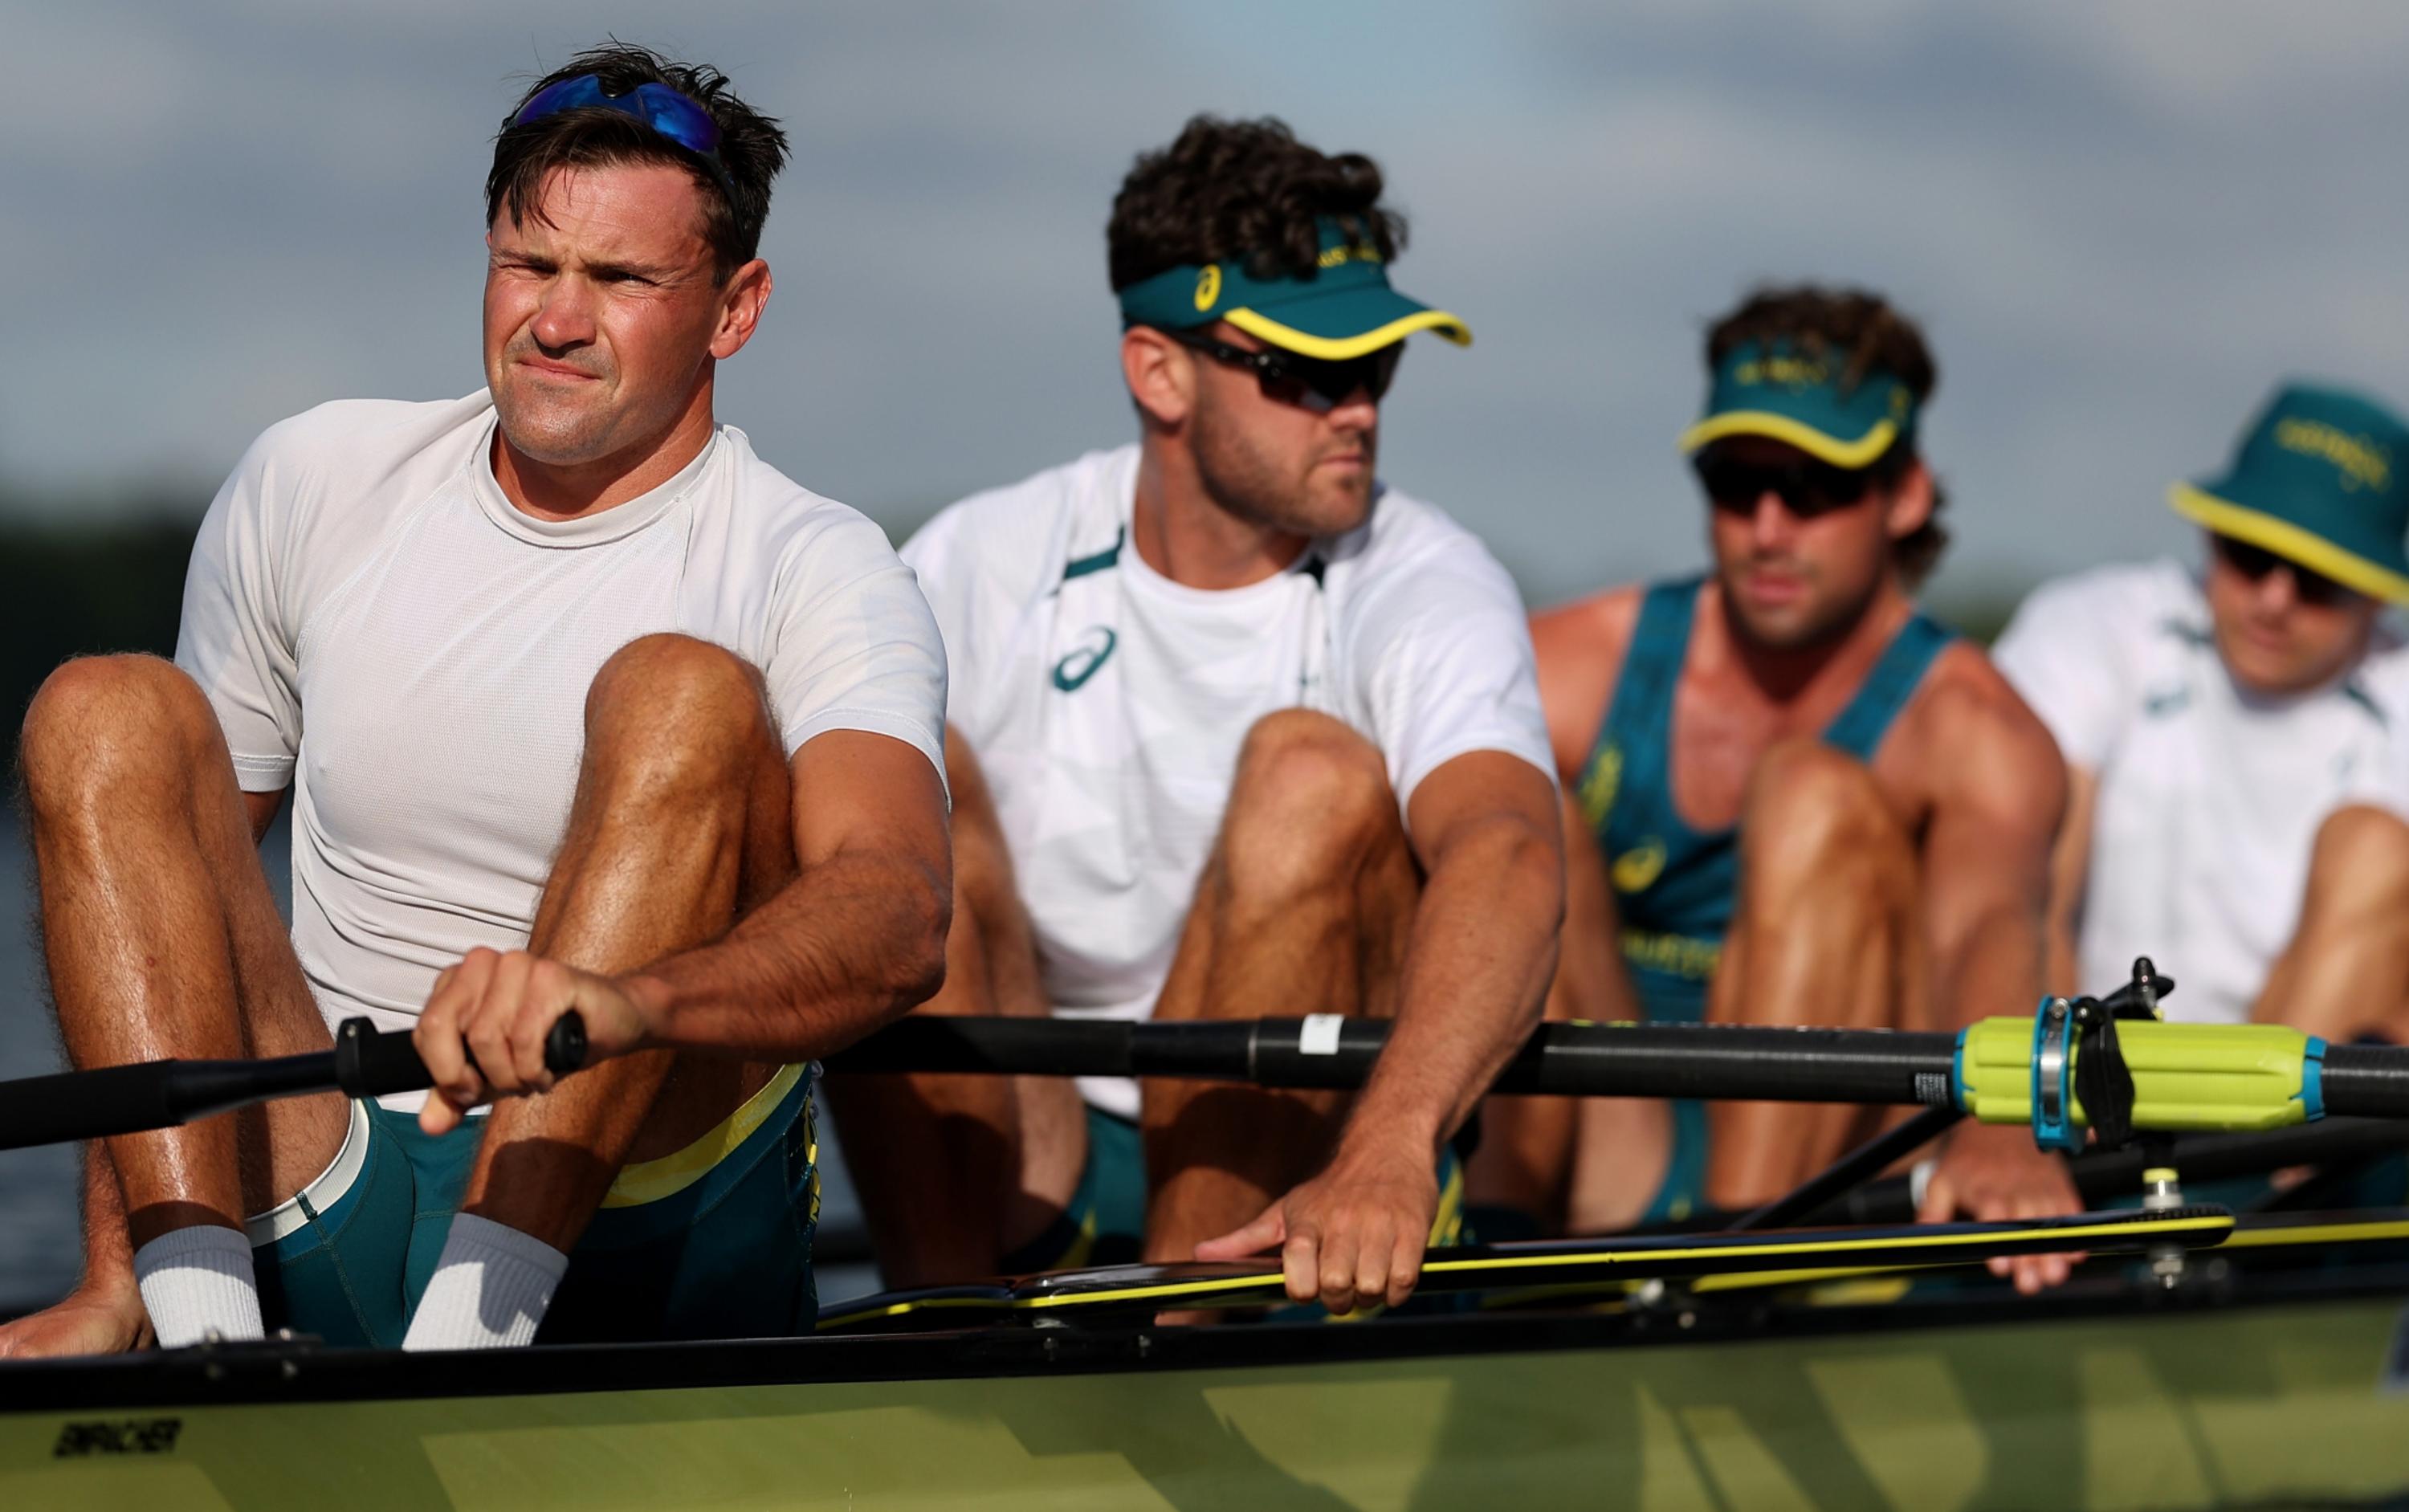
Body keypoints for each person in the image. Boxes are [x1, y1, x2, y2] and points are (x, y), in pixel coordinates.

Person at [0, 45, 950, 1358]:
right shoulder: (318, 478)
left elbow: (900, 912)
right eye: (530, 262)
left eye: (620, 280)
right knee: (101, 709)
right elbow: (155, 918)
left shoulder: (814, 561)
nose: (556, 319)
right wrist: (108, 1271)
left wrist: (632, 1003)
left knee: (681, 691)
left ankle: (469, 1349)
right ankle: (189, 1324)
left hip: (641, 1202)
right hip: (333, 1169)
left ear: (734, 309)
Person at [829, 116, 1564, 1317]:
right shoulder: (985, 558)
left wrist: (1398, 1141)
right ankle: (940, 1344)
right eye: (1304, 370)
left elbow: (1509, 846)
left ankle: (1177, 1348)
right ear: (1158, 371)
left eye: (1376, 366)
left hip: (1307, 1171)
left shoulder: (1426, 576)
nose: (1357, 411)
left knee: (1310, 770)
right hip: (1040, 1138)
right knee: (904, 782)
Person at [1471, 286, 2083, 1293]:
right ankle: (1483, 1277)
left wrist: (2003, 1115)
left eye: (1813, 486)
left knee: (1812, 793)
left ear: (1906, 494)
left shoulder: (1977, 727)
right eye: (1734, 481)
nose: (1765, 526)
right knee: (1505, 809)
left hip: (1829, 1171)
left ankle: (1729, 1295)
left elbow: (1990, 923)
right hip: (1614, 1150)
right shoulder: (1577, 661)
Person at [1994, 383, 2409, 1043]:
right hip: (2080, 1087)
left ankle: (2258, 1146)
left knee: (2375, 848)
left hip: (2301, 1131)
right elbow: (2016, 885)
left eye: (2317, 578)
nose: (2274, 598)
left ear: (2377, 595)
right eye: (2250, 555)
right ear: (2209, 533)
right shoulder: (2097, 625)